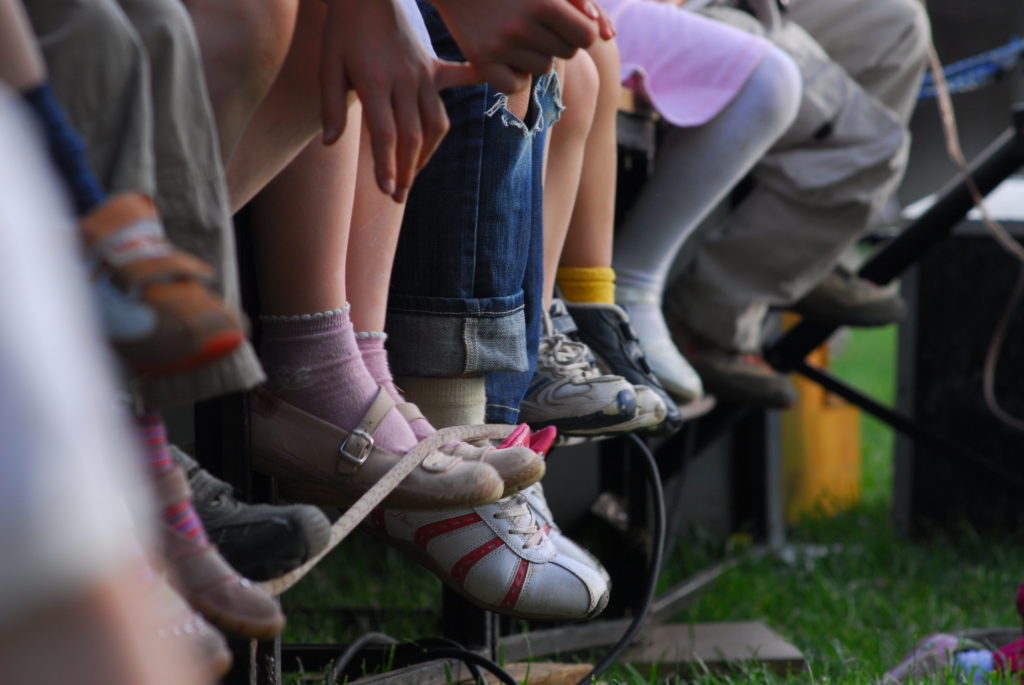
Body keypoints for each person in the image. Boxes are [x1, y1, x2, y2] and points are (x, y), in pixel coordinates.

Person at [663, 0, 928, 407]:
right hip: (670, 13)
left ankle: (809, 253)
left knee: (897, 22)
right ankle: (704, 320)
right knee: (869, 143)